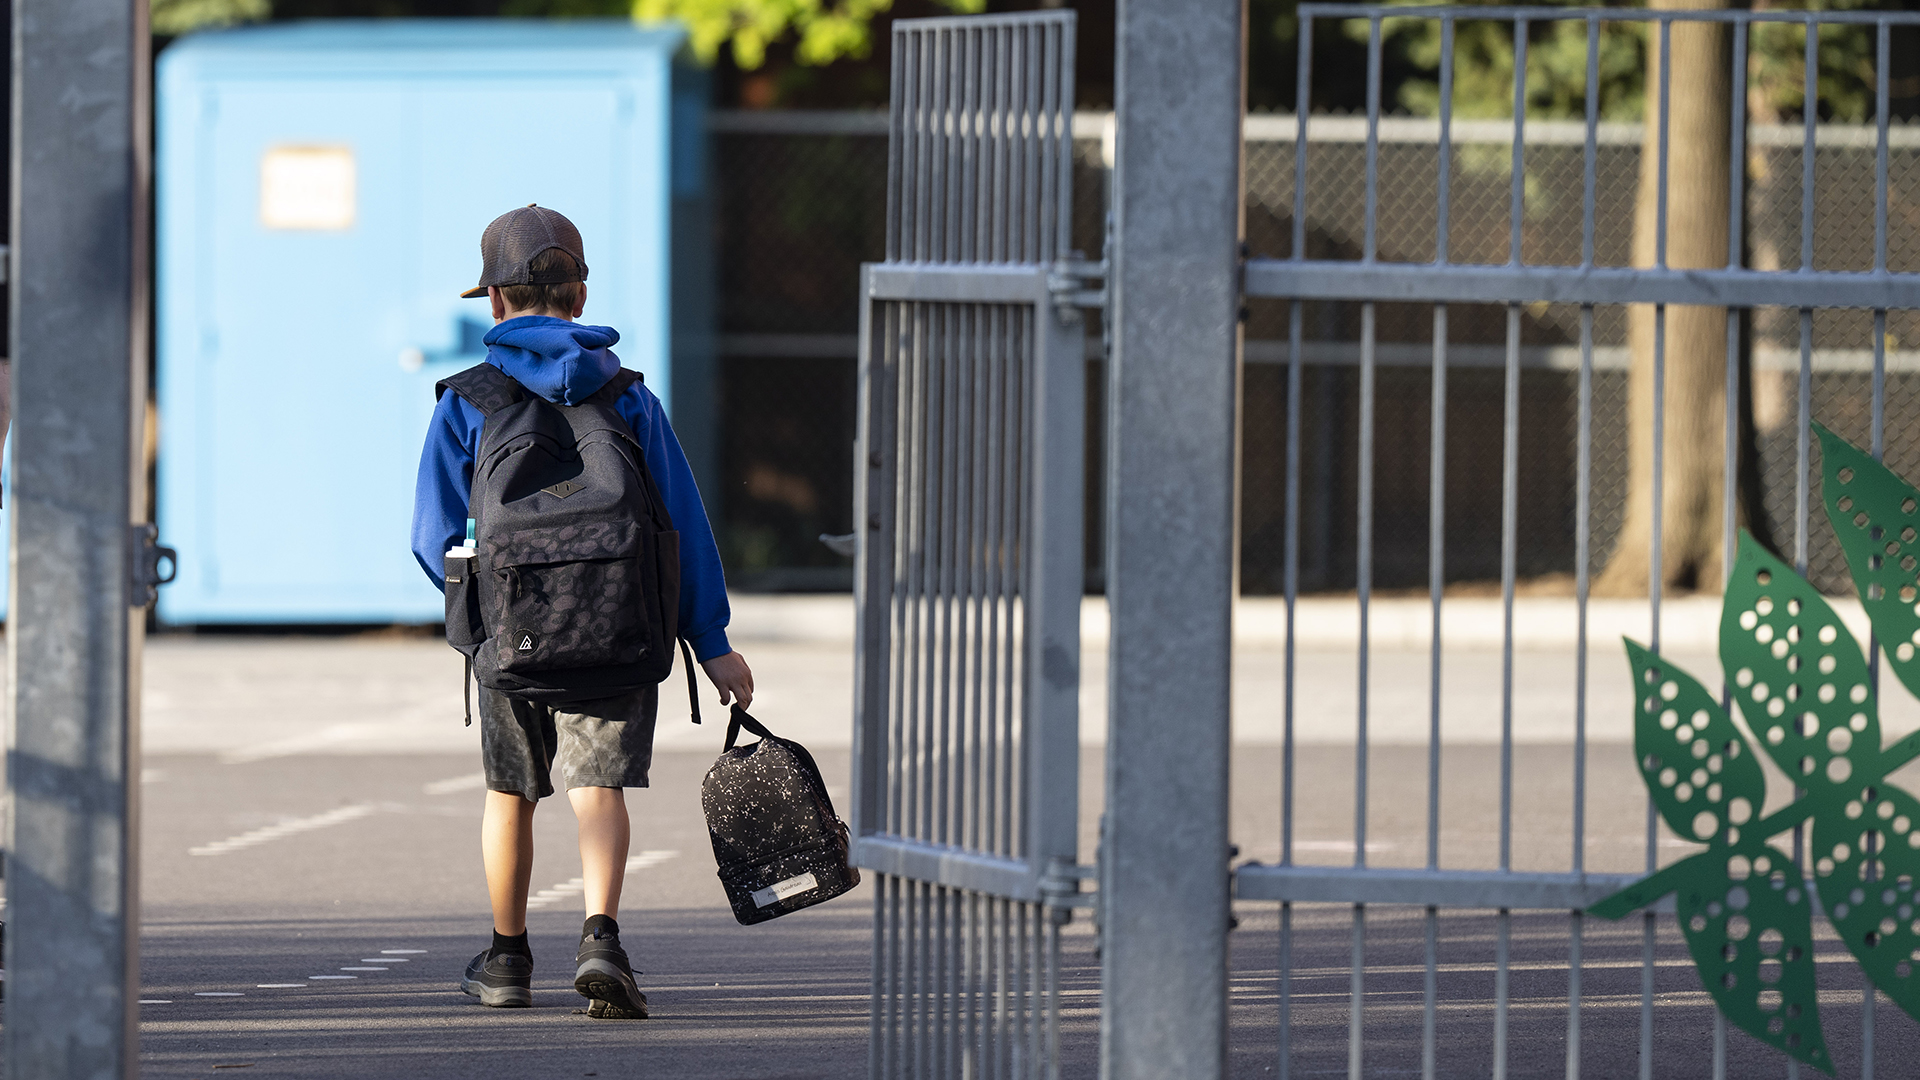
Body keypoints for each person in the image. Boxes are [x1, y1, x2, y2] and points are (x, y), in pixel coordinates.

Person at [411, 204, 752, 1019]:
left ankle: (506, 958)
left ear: (493, 301)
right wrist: (712, 641)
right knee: (599, 787)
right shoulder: (629, 398)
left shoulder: (468, 399)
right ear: (581, 291)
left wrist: (479, 612)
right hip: (619, 628)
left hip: (512, 636)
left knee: (510, 793)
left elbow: (432, 534)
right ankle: (601, 941)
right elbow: (681, 527)